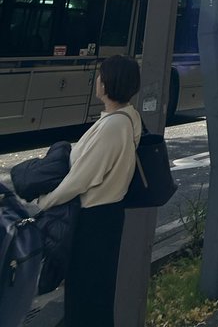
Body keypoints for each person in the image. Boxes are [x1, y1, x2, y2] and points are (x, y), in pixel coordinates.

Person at [36, 54, 142, 326]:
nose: (97, 80)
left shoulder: (113, 126)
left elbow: (80, 180)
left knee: (85, 298)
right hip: (106, 218)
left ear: (108, 84)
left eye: (100, 75)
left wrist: (43, 203)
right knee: (94, 297)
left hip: (93, 221)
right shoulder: (126, 116)